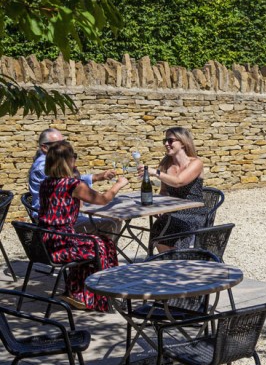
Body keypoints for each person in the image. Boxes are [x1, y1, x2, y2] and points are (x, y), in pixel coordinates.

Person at [38, 141, 128, 311]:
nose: (75, 160)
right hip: (63, 244)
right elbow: (102, 200)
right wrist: (119, 184)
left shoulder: (46, 183)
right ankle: (104, 298)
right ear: (67, 161)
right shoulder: (73, 185)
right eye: (74, 157)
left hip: (46, 242)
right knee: (103, 246)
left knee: (100, 242)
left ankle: (79, 293)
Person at [29, 128, 116, 232]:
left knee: (110, 219)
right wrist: (119, 184)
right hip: (58, 224)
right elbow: (102, 199)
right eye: (58, 144)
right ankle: (100, 248)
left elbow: (65, 181)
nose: (63, 146)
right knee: (111, 223)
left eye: (64, 142)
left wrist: (96, 177)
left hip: (54, 221)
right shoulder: (42, 166)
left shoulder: (51, 174)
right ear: (44, 147)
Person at [139, 127, 207, 252]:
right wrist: (159, 208)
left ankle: (179, 258)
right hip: (173, 210)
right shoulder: (166, 164)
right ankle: (167, 260)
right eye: (165, 140)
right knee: (158, 226)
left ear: (183, 142)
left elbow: (179, 182)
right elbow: (164, 191)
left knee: (177, 226)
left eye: (170, 140)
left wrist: (155, 173)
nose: (166, 144)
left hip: (193, 211)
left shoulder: (196, 163)